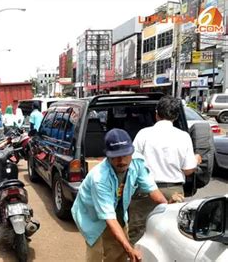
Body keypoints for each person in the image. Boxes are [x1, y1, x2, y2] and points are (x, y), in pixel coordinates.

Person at [71, 128, 167, 262]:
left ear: (132, 152)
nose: (121, 160)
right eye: (115, 156)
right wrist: (130, 249)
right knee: (96, 254)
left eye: (125, 155)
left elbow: (152, 190)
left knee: (120, 251)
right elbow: (109, 218)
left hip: (118, 211)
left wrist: (168, 209)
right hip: (91, 215)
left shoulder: (137, 163)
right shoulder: (99, 178)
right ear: (108, 155)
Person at [129, 95, 202, 243]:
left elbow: (133, 164)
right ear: (175, 116)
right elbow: (188, 170)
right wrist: (196, 160)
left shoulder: (143, 134)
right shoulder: (183, 136)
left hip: (145, 191)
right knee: (172, 235)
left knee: (138, 232)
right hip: (173, 192)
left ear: (156, 114)